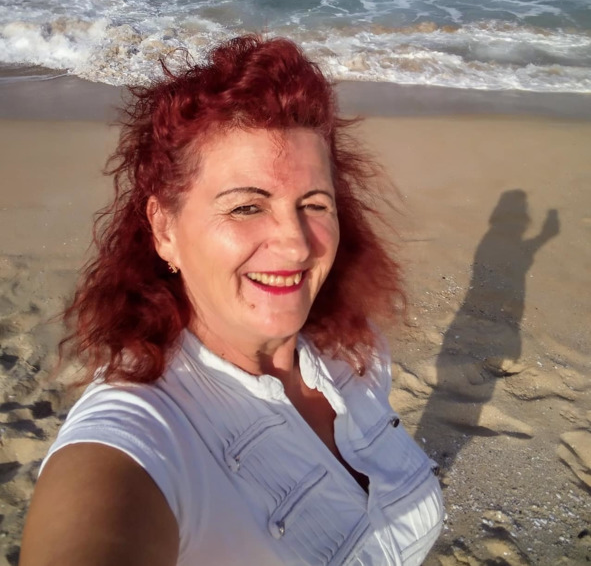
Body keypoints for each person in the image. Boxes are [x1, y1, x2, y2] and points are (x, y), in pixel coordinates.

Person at [20, 35, 443, 566]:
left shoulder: (355, 352)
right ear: (164, 228)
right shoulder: (145, 429)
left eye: (314, 204)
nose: (296, 245)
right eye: (246, 207)